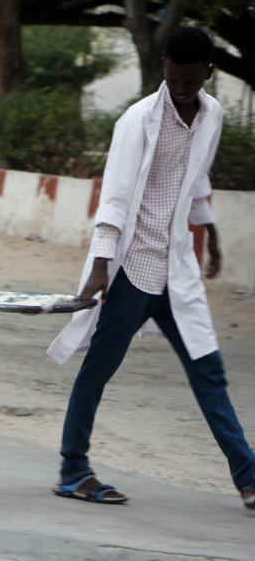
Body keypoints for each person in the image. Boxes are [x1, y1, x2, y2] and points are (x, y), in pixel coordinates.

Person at [48, 26, 255, 509]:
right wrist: (100, 267)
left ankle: (248, 478)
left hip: (177, 268)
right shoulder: (137, 120)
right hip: (133, 269)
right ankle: (73, 469)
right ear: (164, 67)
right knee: (98, 369)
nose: (182, 88)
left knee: (209, 370)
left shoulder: (213, 114)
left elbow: (198, 177)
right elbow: (115, 197)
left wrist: (213, 234)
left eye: (192, 80)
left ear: (208, 72)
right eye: (175, 78)